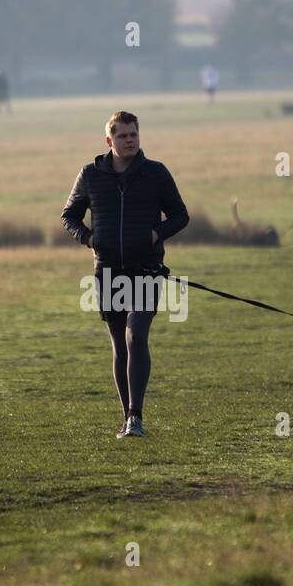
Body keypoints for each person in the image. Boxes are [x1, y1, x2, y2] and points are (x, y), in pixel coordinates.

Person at [61, 111, 190, 438]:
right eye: (122, 136)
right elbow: (69, 216)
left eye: (134, 134)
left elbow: (180, 215)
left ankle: (136, 415)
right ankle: (127, 420)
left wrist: (154, 235)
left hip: (146, 268)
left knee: (136, 335)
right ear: (109, 140)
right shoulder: (90, 174)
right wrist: (89, 239)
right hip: (107, 271)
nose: (130, 140)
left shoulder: (155, 173)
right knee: (120, 344)